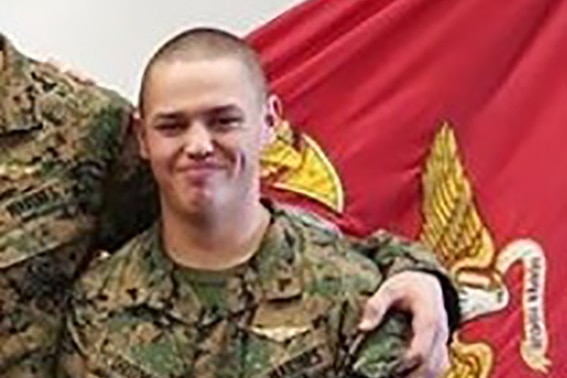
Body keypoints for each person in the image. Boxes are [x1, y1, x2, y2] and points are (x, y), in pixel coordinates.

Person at [0, 31, 456, 377]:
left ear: (270, 122)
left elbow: (216, 212)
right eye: (174, 125)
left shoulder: (75, 126)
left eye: (222, 120)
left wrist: (413, 269)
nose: (198, 144)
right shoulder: (98, 310)